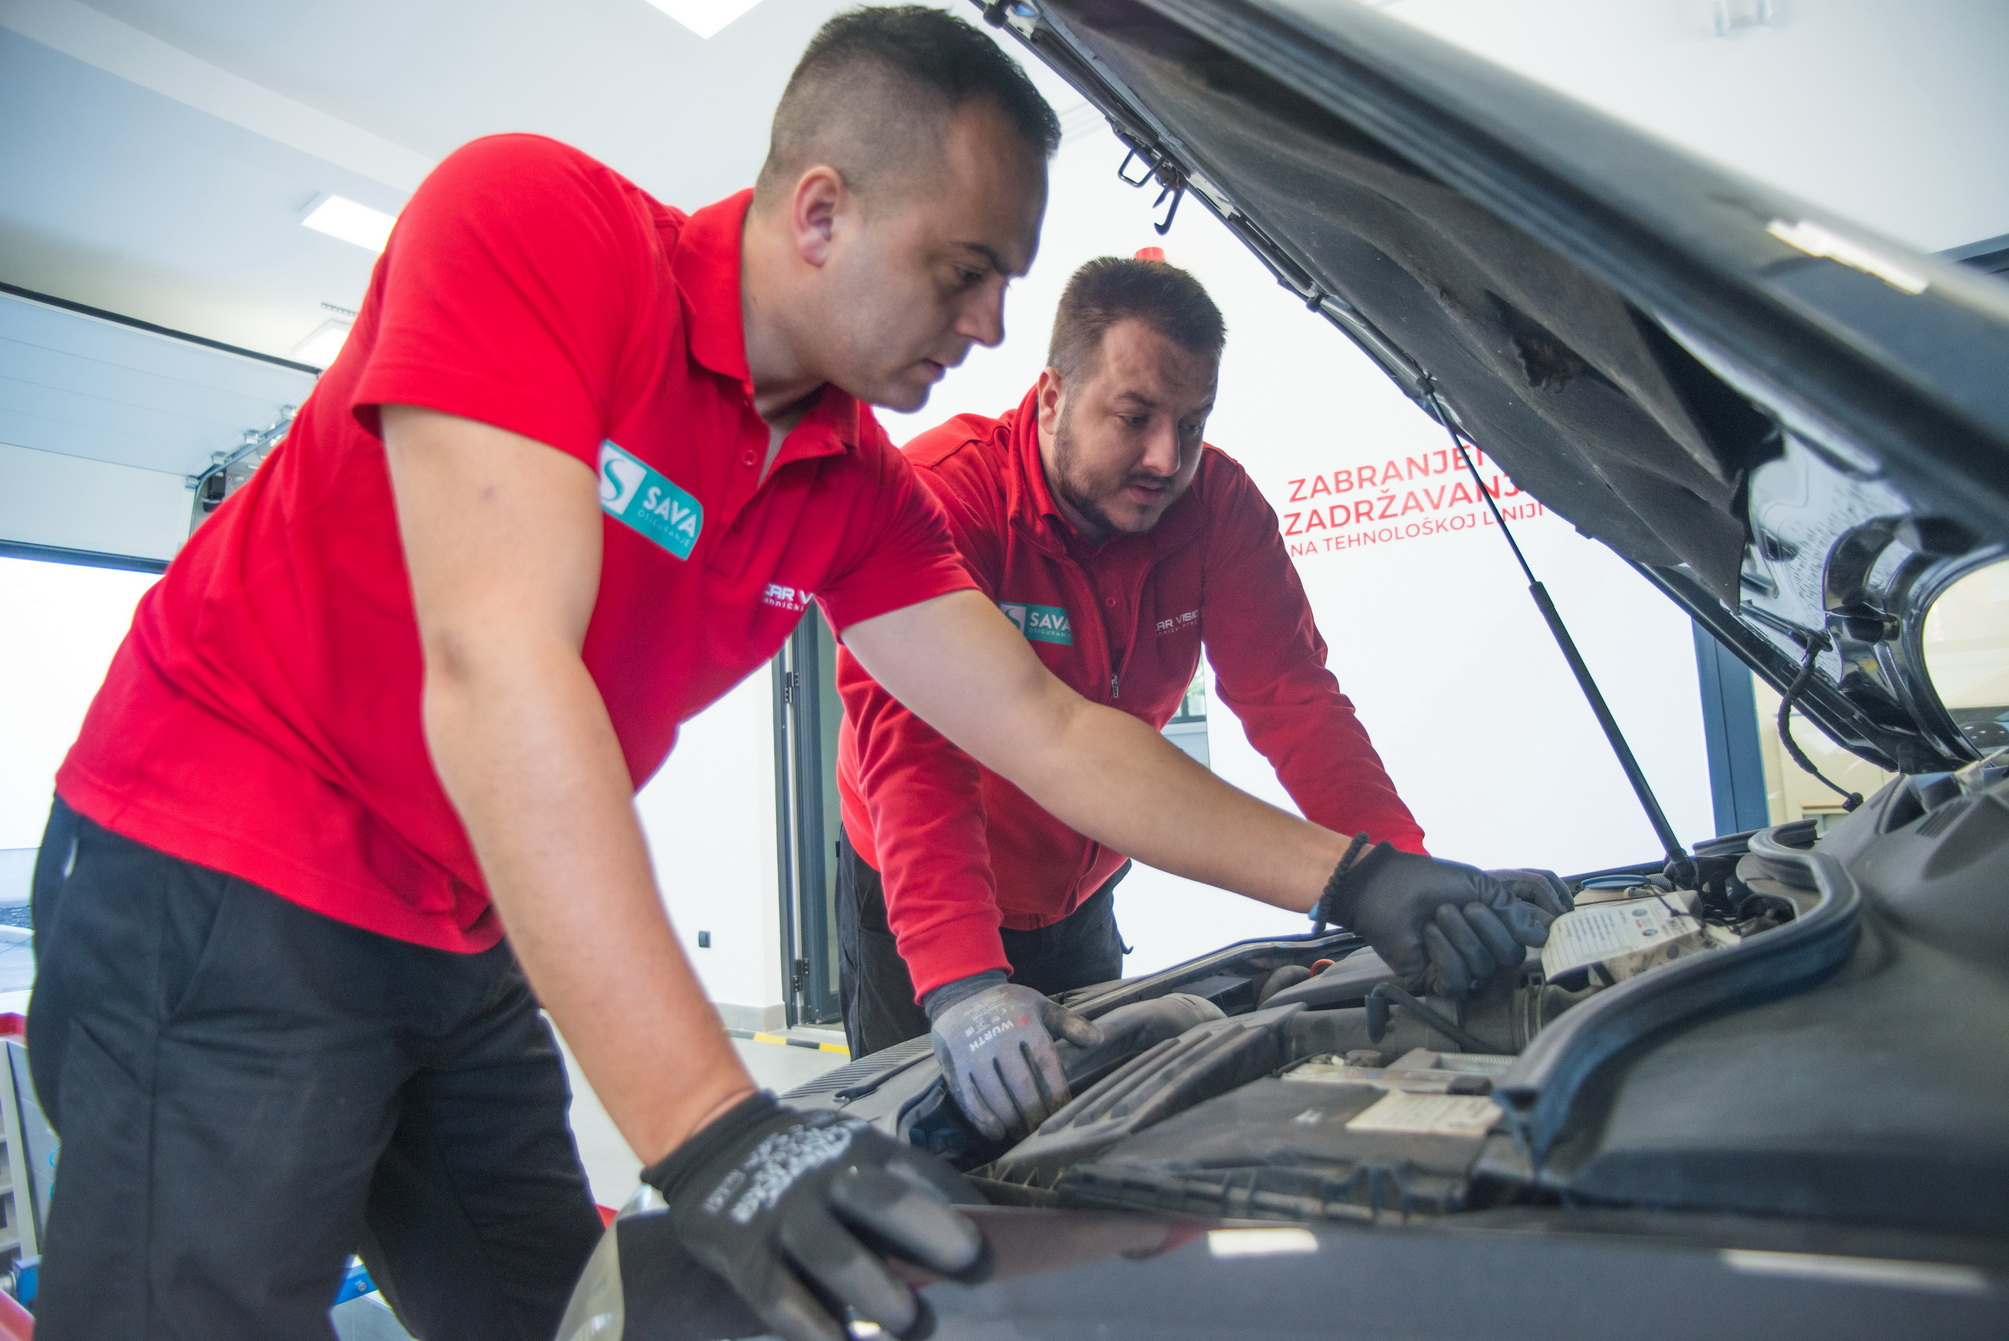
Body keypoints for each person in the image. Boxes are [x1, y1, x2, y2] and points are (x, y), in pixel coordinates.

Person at [27, 8, 1560, 1339]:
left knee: (561, 1312)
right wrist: (716, 1129)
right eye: (963, 271)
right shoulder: (535, 226)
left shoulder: (849, 485)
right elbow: (499, 673)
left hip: (461, 923)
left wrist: (1360, 876)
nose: (991, 327)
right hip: (221, 881)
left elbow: (1045, 729)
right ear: (820, 212)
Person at [835, 256, 1571, 1140]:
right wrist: (961, 979)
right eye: (1134, 417)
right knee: (928, 1161)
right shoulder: (942, 498)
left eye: (1191, 423)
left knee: (1079, 1143)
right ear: (1053, 395)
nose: (1166, 458)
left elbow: (1294, 701)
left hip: (1080, 898)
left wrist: (1405, 882)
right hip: (921, 905)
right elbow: (915, 756)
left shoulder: (1216, 506)